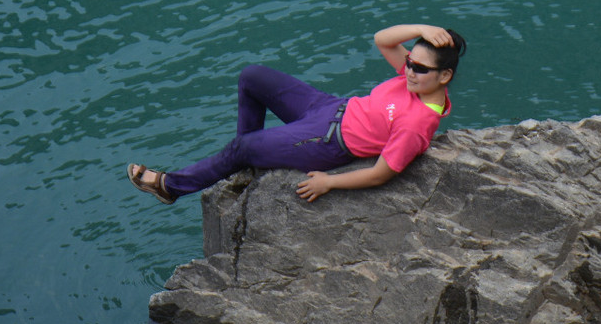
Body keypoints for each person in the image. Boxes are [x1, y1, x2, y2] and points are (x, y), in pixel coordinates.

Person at [127, 23, 466, 204]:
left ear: (444, 76)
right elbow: (383, 40)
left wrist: (329, 183)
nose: (408, 70)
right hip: (328, 107)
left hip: (328, 141)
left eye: (419, 68)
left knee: (244, 148)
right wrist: (422, 28)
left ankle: (170, 186)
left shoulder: (418, 121)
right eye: (409, 62)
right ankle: (248, 159)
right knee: (252, 76)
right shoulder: (413, 81)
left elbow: (381, 173)